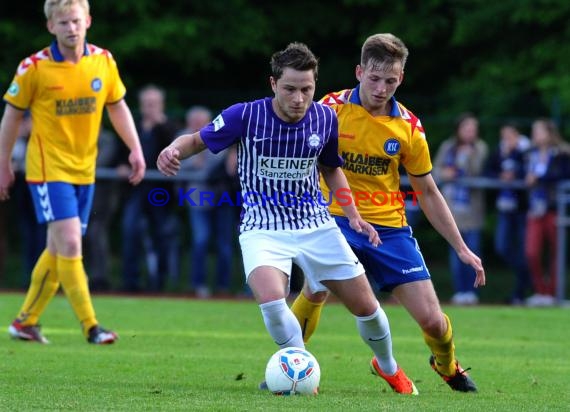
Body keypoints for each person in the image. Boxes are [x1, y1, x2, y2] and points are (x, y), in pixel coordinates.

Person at [157, 42, 418, 395]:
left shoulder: (325, 118)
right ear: (273, 84)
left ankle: (388, 368)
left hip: (315, 224)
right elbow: (196, 141)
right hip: (262, 228)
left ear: (314, 86)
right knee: (271, 300)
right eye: (290, 89)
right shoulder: (244, 116)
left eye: (307, 89)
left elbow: (331, 169)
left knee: (367, 306)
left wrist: (354, 216)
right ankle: (300, 366)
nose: (299, 98)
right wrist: (173, 149)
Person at [290, 33, 485, 393]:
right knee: (316, 287)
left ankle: (446, 364)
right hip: (335, 220)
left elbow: (427, 190)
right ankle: (292, 366)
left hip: (391, 230)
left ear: (401, 79)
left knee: (433, 321)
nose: (381, 89)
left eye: (390, 81)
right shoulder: (329, 109)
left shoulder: (408, 127)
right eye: (375, 79)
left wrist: (460, 247)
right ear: (359, 72)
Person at [0, 0, 146, 344]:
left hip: (85, 171)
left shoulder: (103, 61)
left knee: (57, 249)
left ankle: (25, 321)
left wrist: (136, 148)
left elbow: (118, 105)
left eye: (76, 21)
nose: (71, 28)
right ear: (51, 26)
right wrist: (3, 163)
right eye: (63, 22)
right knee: (69, 242)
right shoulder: (33, 67)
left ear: (88, 21)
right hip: (49, 170)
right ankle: (91, 326)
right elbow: (11, 116)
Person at [118, 84, 180, 292]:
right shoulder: (133, 126)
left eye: (153, 104)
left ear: (161, 105)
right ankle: (130, 282)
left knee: (161, 235)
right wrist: (120, 165)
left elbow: (176, 149)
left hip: (160, 192)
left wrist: (159, 123)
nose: (149, 108)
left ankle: (159, 283)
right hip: (135, 189)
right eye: (146, 104)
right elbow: (121, 153)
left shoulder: (169, 127)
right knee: (129, 231)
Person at [178, 106, 237, 298]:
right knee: (200, 240)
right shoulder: (182, 138)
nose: (197, 126)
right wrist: (193, 161)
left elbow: (223, 163)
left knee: (224, 244)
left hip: (222, 198)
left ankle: (223, 287)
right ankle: (198, 285)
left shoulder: (221, 134)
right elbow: (174, 164)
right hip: (196, 198)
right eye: (194, 123)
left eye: (201, 122)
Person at [433, 113, 488, 305]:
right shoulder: (448, 147)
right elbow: (434, 170)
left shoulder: (480, 148)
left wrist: (468, 154)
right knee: (457, 251)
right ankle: (460, 291)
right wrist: (445, 173)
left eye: (473, 129)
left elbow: (477, 171)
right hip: (451, 208)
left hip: (472, 210)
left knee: (473, 249)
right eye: (467, 128)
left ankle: (473, 291)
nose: (470, 132)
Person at [523, 118, 570, 307]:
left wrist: (539, 178)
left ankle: (553, 293)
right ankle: (540, 291)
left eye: (539, 131)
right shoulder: (529, 155)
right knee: (532, 252)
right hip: (535, 209)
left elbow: (563, 174)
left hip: (554, 208)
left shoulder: (562, 153)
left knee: (556, 252)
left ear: (549, 133)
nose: (535, 135)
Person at [485, 121, 532, 305]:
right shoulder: (500, 151)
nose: (506, 140)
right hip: (505, 207)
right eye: (503, 136)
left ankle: (521, 291)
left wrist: (514, 155)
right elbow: (488, 171)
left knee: (524, 250)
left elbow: (530, 172)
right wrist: (500, 176)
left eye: (509, 136)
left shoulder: (525, 150)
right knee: (502, 246)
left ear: (517, 135)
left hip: (523, 209)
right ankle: (525, 276)